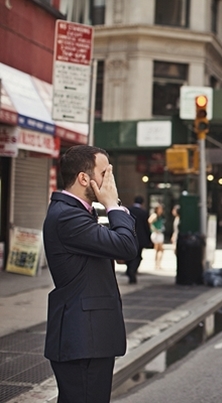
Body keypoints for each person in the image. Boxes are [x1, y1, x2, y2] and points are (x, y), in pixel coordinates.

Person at [43, 145, 138, 403]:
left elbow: (119, 250)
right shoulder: (67, 216)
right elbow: (127, 247)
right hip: (83, 338)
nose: (110, 181)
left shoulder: (79, 213)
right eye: (105, 173)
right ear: (84, 178)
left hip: (88, 337)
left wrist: (113, 209)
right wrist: (112, 204)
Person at [125, 196, 152, 284]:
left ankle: (130, 269)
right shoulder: (144, 212)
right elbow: (146, 227)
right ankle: (132, 270)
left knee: (128, 254)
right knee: (138, 256)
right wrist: (148, 238)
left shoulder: (128, 210)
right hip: (140, 238)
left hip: (129, 235)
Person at [148, 204, 165, 269]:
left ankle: (157, 264)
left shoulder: (160, 216)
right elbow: (149, 222)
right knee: (160, 249)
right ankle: (157, 264)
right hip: (157, 234)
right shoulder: (154, 215)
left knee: (158, 249)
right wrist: (154, 230)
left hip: (159, 233)